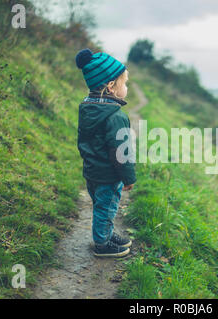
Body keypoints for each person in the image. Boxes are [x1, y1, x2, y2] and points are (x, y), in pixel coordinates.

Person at [75, 49, 136, 257]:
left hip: (91, 172)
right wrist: (128, 178)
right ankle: (102, 244)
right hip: (108, 176)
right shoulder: (116, 116)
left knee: (100, 205)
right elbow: (122, 153)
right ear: (111, 86)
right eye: (124, 83)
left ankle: (106, 235)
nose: (126, 88)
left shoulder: (87, 108)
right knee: (106, 209)